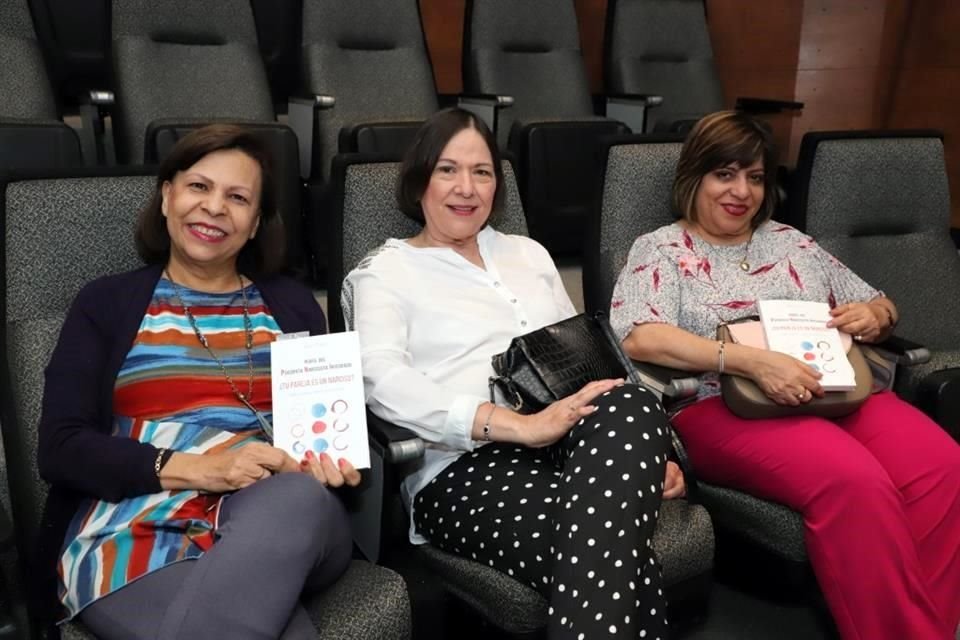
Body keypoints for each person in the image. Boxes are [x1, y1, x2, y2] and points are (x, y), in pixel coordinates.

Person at [610, 110, 960, 640]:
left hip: (831, 390)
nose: (742, 192)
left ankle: (925, 629)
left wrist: (876, 315)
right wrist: (749, 360)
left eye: (755, 177)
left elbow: (876, 302)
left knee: (942, 464)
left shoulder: (791, 243)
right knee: (854, 482)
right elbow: (641, 335)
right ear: (694, 177)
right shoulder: (659, 249)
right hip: (720, 404)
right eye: (724, 174)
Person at [343, 107, 684, 639]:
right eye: (447, 170)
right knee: (612, 554)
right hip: (462, 465)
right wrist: (513, 424)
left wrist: (648, 455)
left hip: (575, 444)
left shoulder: (528, 253)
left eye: (482, 172)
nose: (466, 188)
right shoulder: (383, 272)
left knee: (636, 402)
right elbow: (380, 380)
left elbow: (586, 361)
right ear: (418, 183)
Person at [36, 124, 362, 639]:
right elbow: (60, 448)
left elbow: (320, 434)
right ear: (167, 196)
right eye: (198, 187)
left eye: (237, 197)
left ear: (255, 223)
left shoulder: (295, 306)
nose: (214, 207)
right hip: (137, 528)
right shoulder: (105, 303)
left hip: (283, 517)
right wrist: (207, 469)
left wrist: (330, 463)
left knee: (296, 498)